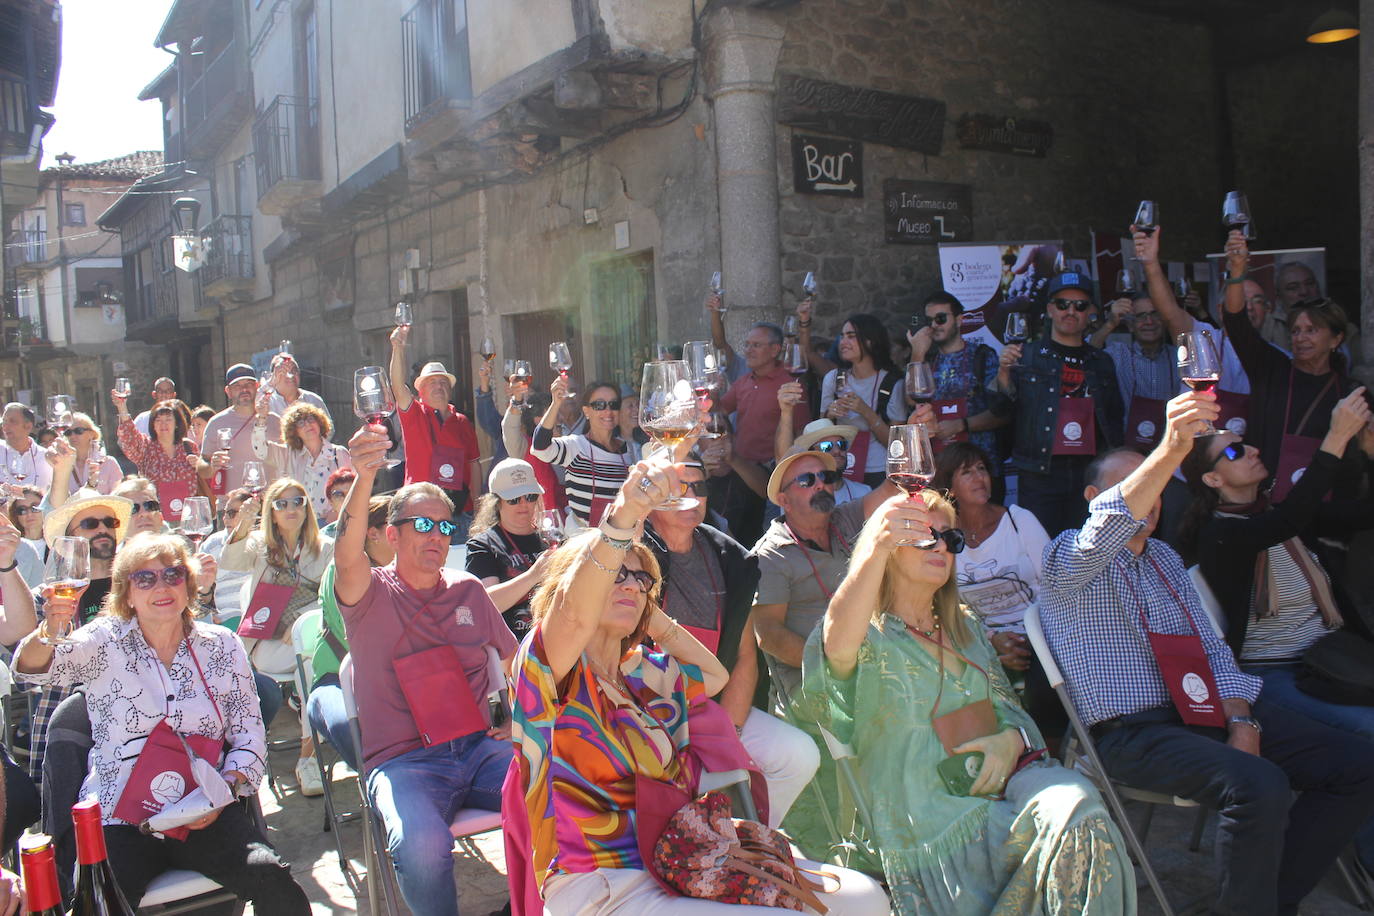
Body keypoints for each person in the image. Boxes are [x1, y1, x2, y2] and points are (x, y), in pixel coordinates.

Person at [1038, 390, 1374, 915]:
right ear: (1093, 497)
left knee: (1358, 764)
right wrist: (1170, 448)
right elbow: (1105, 529)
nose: (1147, 500)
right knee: (1260, 784)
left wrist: (1242, 720)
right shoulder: (1066, 555)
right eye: (1132, 486)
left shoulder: (1167, 558)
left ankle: (1262, 903)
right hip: (1134, 731)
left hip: (1206, 713)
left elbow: (1213, 651)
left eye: (1155, 486)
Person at [509, 457, 889, 913]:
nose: (630, 584)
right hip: (600, 880)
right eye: (616, 575)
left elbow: (715, 676)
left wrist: (653, 617)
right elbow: (572, 616)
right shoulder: (549, 673)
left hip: (683, 858)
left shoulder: (642, 672)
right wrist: (625, 518)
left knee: (866, 899)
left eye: (641, 577)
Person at [797, 487, 1135, 914]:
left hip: (1003, 778)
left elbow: (1008, 710)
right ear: (886, 545)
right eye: (923, 535)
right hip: (926, 805)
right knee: (1068, 822)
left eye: (950, 539)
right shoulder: (867, 632)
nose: (941, 546)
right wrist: (876, 549)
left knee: (1081, 807)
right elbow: (837, 645)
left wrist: (1010, 740)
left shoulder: (966, 627)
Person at [13, 532, 311, 913]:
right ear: (127, 593)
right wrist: (50, 631)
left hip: (203, 809)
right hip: (122, 815)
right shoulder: (104, 642)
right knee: (99, 903)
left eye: (172, 575)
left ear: (187, 585)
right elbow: (33, 670)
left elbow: (249, 735)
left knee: (275, 881)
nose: (161, 586)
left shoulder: (221, 644)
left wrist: (226, 788)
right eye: (145, 578)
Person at [1178, 393, 1374, 874]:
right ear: (1212, 480)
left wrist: (1368, 452)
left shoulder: (1278, 516)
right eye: (1232, 451)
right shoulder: (1222, 534)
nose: (1248, 451)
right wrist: (1335, 437)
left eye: (1245, 444)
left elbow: (1361, 516)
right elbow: (1283, 523)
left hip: (1332, 660)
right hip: (1273, 676)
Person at [334, 421, 517, 916]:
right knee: (421, 847)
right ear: (392, 535)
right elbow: (344, 554)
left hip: (480, 747)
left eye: (445, 526)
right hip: (403, 763)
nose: (436, 535)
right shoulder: (367, 594)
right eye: (423, 524)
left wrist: (518, 719)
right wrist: (364, 476)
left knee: (556, 794)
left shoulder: (468, 591)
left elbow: (514, 660)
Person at [642, 457, 819, 827]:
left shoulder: (732, 558)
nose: (692, 497)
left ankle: (749, 842)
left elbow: (743, 656)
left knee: (798, 754)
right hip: (643, 715)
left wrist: (730, 735)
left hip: (714, 708)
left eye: (699, 487)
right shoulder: (630, 554)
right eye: (678, 488)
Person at [750, 435, 909, 702]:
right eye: (806, 481)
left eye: (824, 476)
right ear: (783, 500)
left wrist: (912, 437)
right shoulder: (770, 555)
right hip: (814, 687)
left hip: (876, 666)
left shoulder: (844, 518)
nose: (820, 484)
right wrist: (835, 667)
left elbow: (891, 490)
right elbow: (769, 635)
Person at [930, 442, 1064, 735]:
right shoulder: (946, 538)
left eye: (982, 469)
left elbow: (1057, 585)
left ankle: (1050, 754)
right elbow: (947, 607)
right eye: (967, 472)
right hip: (980, 641)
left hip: (1042, 634)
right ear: (949, 488)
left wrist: (1032, 638)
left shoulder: (1019, 520)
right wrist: (992, 640)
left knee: (1041, 686)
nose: (980, 478)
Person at [1220, 232, 1363, 502]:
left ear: (1336, 338)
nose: (1301, 338)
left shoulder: (1350, 394)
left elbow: (1357, 464)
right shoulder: (1271, 368)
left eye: (1312, 330)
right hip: (1264, 505)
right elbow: (1237, 323)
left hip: (1321, 511)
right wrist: (1237, 272)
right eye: (1296, 331)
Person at [219, 477, 334, 796]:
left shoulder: (324, 548)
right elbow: (231, 561)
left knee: (311, 665)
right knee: (317, 666)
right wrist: (243, 523)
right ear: (270, 511)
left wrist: (300, 622)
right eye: (281, 503)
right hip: (268, 642)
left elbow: (332, 595)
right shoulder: (259, 544)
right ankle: (313, 749)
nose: (290, 508)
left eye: (297, 501)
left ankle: (307, 756)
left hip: (307, 640)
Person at [994, 271, 1124, 537]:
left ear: (1091, 312)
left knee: (1090, 550)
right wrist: (1004, 373)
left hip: (1089, 473)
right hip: (1040, 472)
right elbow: (1000, 413)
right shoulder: (1025, 356)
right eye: (1063, 304)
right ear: (1050, 309)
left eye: (1080, 305)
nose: (1071, 311)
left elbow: (1114, 418)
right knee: (1040, 550)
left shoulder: (1102, 361)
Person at [307, 495, 393, 773]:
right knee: (350, 726)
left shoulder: (408, 570)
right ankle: (381, 793)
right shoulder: (342, 572)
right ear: (374, 533)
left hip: (393, 678)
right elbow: (358, 639)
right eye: (399, 526)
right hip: (337, 681)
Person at [717, 321, 811, 545]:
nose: (748, 350)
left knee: (765, 540)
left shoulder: (789, 386)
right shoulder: (743, 382)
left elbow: (802, 434)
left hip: (772, 477)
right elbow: (718, 411)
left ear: (775, 349)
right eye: (747, 344)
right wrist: (710, 391)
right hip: (739, 472)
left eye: (756, 345)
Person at [388, 325, 482, 530]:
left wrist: (477, 505)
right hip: (419, 511)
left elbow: (474, 464)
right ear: (419, 390)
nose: (439, 386)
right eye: (432, 382)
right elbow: (397, 386)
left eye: (443, 382)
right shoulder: (414, 413)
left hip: (460, 511)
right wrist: (398, 348)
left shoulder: (463, 422)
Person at [909, 291, 1007, 469]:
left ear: (959, 320)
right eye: (928, 321)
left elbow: (1003, 412)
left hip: (980, 465)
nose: (933, 326)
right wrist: (917, 353)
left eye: (940, 319)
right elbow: (909, 400)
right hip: (941, 467)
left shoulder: (982, 356)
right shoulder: (925, 360)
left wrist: (961, 425)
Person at [464, 458, 553, 639]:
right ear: (497, 503)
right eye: (513, 499)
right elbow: (486, 604)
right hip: (511, 645)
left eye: (530, 496)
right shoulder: (483, 545)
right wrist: (533, 575)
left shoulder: (553, 539)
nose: (523, 504)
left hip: (556, 639)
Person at [817, 314, 906, 489]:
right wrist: (829, 415)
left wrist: (866, 412)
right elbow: (820, 432)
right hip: (840, 467)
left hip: (878, 471)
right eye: (842, 336)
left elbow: (896, 445)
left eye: (851, 336)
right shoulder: (833, 379)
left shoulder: (892, 383)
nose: (843, 342)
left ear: (870, 341)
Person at [530, 380, 633, 527]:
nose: (607, 411)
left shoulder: (628, 450)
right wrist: (556, 404)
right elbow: (540, 448)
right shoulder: (576, 446)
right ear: (586, 411)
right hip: (583, 540)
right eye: (599, 405)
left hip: (618, 537)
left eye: (613, 405)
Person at [1089, 292, 1179, 450]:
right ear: (1130, 326)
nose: (1149, 321)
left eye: (1155, 314)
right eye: (1141, 316)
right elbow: (1085, 354)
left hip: (1172, 447)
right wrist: (1110, 324)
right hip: (1128, 449)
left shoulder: (1180, 356)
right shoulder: (1118, 354)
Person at [114, 392, 201, 521]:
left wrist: (199, 464)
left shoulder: (189, 447)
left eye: (168, 420)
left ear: (177, 423)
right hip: (157, 519)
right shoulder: (146, 447)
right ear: (153, 425)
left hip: (189, 518)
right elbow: (129, 436)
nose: (163, 424)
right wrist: (122, 407)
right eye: (158, 420)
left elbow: (203, 476)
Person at [199, 365, 282, 494]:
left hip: (267, 503)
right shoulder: (216, 423)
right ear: (228, 391)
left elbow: (288, 460)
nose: (244, 389)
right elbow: (201, 466)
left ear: (257, 386)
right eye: (237, 386)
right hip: (231, 504)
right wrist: (211, 467)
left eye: (248, 384)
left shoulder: (274, 421)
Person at [266, 403, 351, 520]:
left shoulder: (338, 453)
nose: (308, 425)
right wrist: (261, 418)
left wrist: (337, 512)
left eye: (311, 419)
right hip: (303, 524)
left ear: (320, 423)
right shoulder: (291, 456)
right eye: (301, 423)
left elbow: (355, 488)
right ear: (294, 431)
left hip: (334, 522)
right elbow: (260, 450)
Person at [776, 418, 869, 505]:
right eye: (826, 446)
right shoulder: (797, 496)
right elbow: (783, 459)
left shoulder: (864, 492)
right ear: (810, 454)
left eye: (841, 444)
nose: (837, 451)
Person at [48, 412, 120, 494]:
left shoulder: (108, 463)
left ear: (92, 434)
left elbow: (117, 495)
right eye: (68, 432)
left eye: (78, 431)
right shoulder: (61, 464)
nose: (72, 435)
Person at [265, 352, 330, 425]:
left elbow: (328, 430)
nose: (290, 376)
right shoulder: (267, 403)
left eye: (294, 371)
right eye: (284, 371)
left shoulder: (314, 400)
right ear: (274, 376)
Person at [0, 403, 52, 491]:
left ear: (28, 426)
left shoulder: (47, 457)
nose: (5, 426)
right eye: (4, 421)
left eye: (12, 421)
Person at [319, 467, 356, 535]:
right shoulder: (323, 537)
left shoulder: (375, 531)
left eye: (351, 493)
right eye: (338, 494)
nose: (346, 499)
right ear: (331, 502)